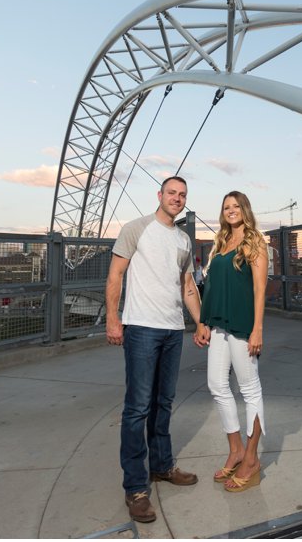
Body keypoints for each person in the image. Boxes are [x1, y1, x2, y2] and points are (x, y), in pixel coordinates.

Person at [105, 176, 203, 523]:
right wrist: (113, 319)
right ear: (159, 195)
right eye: (172, 193)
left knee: (163, 402)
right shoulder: (136, 229)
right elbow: (116, 274)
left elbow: (187, 285)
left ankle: (162, 467)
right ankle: (135, 487)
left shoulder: (183, 239)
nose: (177, 198)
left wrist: (200, 322)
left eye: (182, 195)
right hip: (142, 328)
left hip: (173, 329)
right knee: (137, 407)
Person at [193, 191, 268, 493]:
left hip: (242, 325)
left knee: (250, 389)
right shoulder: (220, 244)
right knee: (216, 385)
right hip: (218, 326)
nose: (231, 211)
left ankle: (251, 459)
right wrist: (202, 322)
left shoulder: (256, 244)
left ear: (245, 210)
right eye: (226, 207)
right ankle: (235, 449)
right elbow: (209, 288)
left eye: (236, 206)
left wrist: (258, 329)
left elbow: (260, 290)